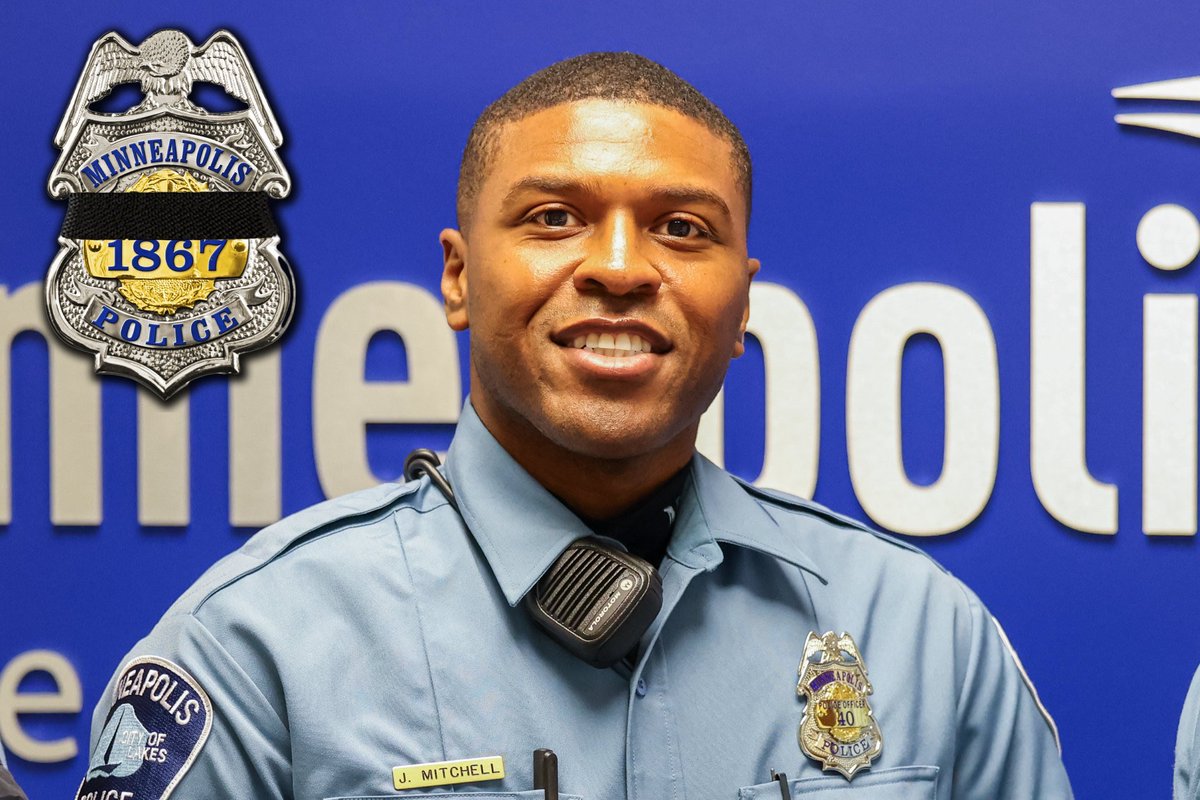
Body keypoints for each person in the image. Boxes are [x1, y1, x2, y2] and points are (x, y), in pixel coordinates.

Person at [77, 52, 1072, 799]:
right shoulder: (258, 648)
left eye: (684, 229)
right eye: (554, 217)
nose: (623, 267)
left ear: (743, 305)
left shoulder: (922, 634)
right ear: (459, 277)